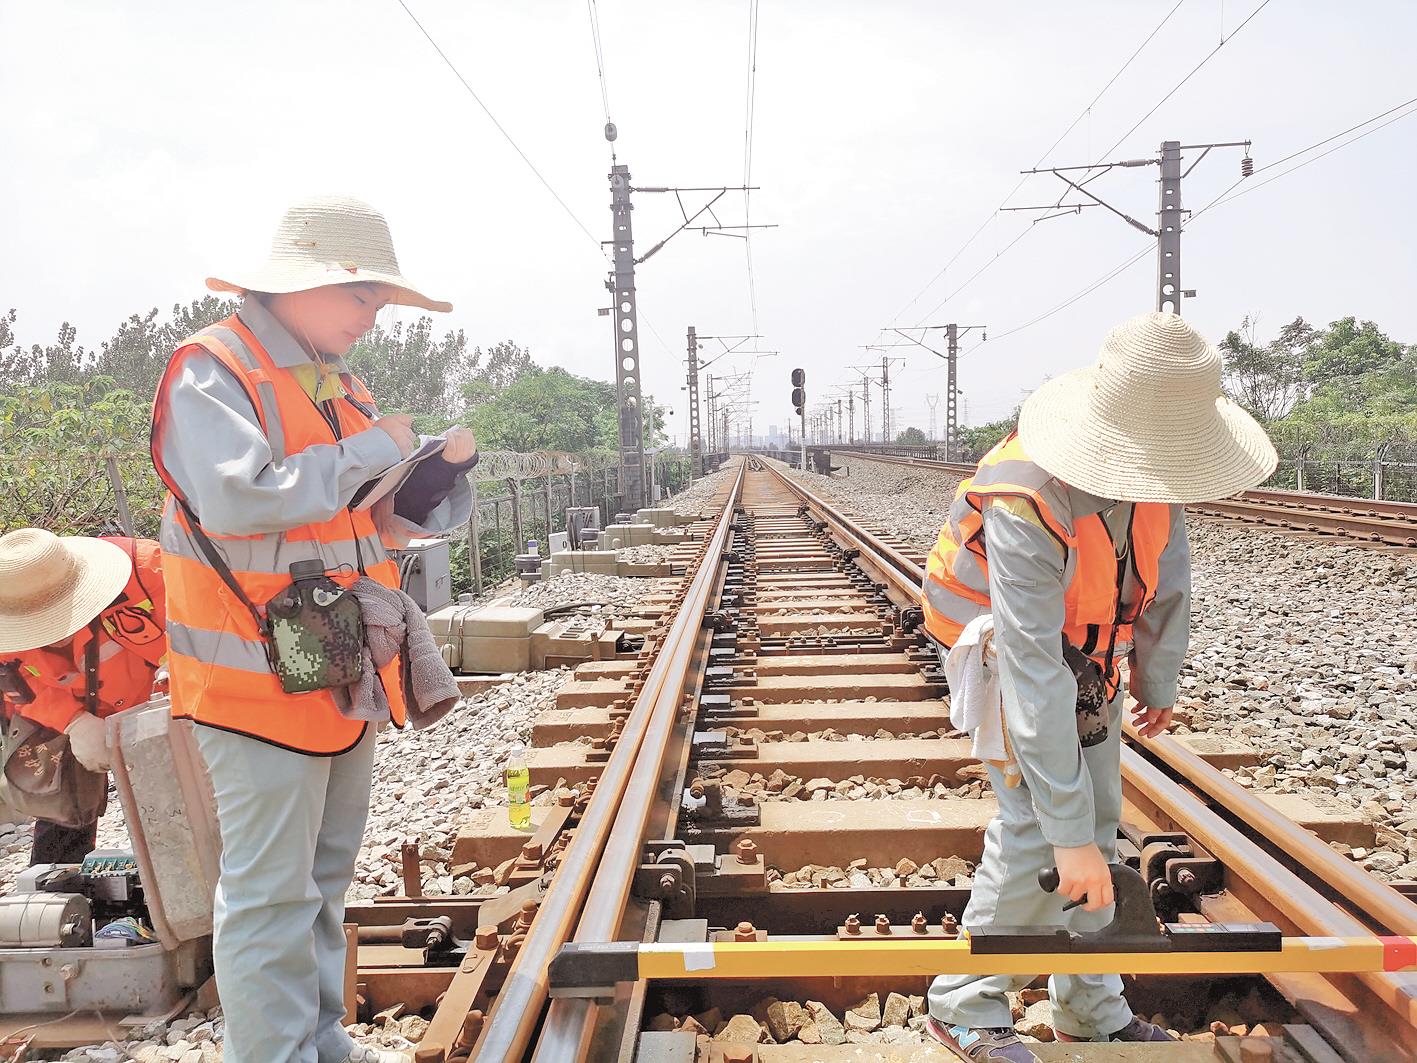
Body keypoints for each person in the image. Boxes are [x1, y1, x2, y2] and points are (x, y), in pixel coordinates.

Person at [149, 195, 475, 1063]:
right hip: (255, 681)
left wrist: (422, 481)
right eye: (365, 297)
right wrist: (376, 453)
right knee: (267, 896)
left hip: (335, 667)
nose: (373, 318)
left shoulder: (336, 381)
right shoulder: (211, 367)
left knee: (323, 883)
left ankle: (317, 1038)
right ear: (311, 284)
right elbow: (238, 496)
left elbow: (351, 515)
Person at [919, 312, 1277, 1061]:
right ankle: (963, 1001)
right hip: (1002, 653)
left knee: (1100, 816)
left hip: (1090, 653)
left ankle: (1088, 1004)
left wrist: (1157, 670)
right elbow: (1029, 665)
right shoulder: (1027, 495)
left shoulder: (1155, 474)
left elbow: (1166, 571)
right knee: (1036, 830)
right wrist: (1067, 834)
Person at [0, 530, 166, 864]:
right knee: (62, 812)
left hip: (156, 706)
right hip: (59, 714)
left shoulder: (150, 572)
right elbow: (16, 690)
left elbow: (210, 632)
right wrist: (73, 722)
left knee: (174, 807)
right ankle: (57, 894)